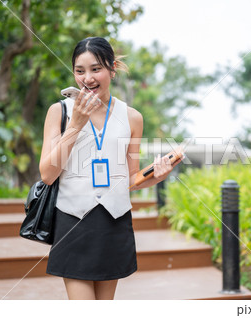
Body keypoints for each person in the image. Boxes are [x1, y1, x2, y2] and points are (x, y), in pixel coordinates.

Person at [39, 37, 182, 300]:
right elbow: (47, 174)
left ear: (112, 69)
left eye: (96, 69)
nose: (87, 78)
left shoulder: (132, 117)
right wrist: (76, 125)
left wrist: (157, 175)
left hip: (113, 222)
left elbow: (130, 179)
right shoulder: (59, 112)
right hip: (72, 221)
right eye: (80, 71)